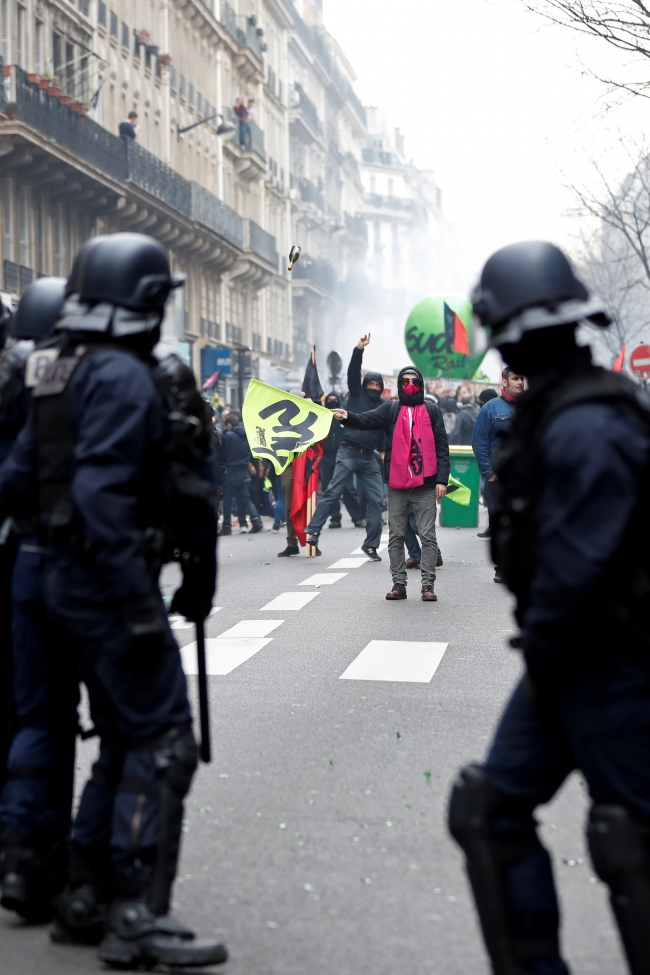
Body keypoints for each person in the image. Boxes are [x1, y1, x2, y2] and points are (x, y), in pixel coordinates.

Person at [0, 233, 226, 967]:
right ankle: (133, 910)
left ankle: (79, 888)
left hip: (52, 572)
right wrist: (136, 600)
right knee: (160, 739)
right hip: (105, 582)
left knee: (91, 729)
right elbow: (106, 492)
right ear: (147, 299)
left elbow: (18, 477)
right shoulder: (130, 377)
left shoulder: (57, 373)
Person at [448, 239, 650, 975]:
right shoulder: (559, 409)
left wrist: (547, 642)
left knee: (632, 836)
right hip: (568, 657)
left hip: (613, 658)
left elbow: (582, 568)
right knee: (489, 809)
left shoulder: (588, 421)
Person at [0, 278, 79, 923]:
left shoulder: (17, 383)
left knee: (28, 718)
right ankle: (42, 858)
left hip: (22, 563)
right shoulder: (60, 385)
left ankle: (22, 849)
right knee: (52, 716)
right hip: (51, 565)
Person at [333, 365, 450, 601]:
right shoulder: (391, 409)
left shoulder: (432, 410)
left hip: (426, 484)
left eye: (414, 380)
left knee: (428, 536)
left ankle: (428, 585)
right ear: (398, 384)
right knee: (396, 536)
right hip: (397, 484)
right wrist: (347, 416)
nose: (409, 385)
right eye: (404, 381)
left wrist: (441, 480)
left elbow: (442, 448)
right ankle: (399, 584)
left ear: (421, 383)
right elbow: (366, 420)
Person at [304, 334, 386, 561]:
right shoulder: (356, 393)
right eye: (369, 383)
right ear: (363, 385)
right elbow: (353, 371)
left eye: (377, 385)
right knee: (333, 491)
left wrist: (383, 452)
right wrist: (359, 349)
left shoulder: (383, 406)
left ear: (381, 388)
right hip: (349, 451)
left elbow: (383, 432)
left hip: (369, 458)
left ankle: (371, 545)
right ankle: (313, 530)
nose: (373, 387)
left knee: (377, 500)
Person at [471, 366, 525, 565]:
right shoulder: (490, 409)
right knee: (502, 524)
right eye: (515, 378)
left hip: (524, 478)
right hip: (497, 479)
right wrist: (489, 473)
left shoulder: (530, 406)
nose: (520, 382)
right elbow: (479, 443)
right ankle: (502, 567)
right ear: (505, 381)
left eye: (522, 378)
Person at [320, 392, 363, 530]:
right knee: (329, 488)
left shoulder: (343, 418)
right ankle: (335, 518)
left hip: (343, 456)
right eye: (330, 400)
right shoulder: (322, 418)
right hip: (326, 458)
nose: (332, 401)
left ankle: (357, 517)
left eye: (335, 400)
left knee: (348, 488)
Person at [220, 410, 263, 535]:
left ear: (229, 424)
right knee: (246, 498)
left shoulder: (228, 436)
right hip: (245, 470)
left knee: (227, 499)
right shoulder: (247, 434)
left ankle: (227, 526)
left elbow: (223, 452)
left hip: (232, 470)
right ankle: (256, 520)